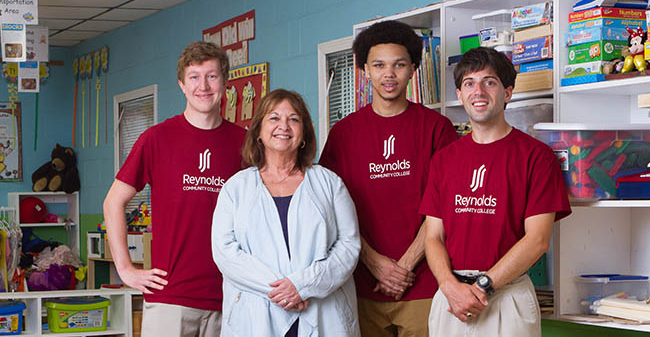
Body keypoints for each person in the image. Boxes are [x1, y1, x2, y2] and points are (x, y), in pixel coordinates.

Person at [419, 47, 572, 336]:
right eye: (469, 84)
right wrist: (450, 286)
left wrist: (481, 287)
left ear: (508, 93)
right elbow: (433, 237)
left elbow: (537, 240)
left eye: (489, 82)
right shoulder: (443, 160)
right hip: (450, 298)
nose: (478, 91)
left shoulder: (537, 157)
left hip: (507, 297)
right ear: (460, 95)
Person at [319, 20, 457, 336]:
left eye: (399, 65)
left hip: (425, 283)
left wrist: (406, 265)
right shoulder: (344, 134)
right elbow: (329, 209)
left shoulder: (438, 129)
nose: (389, 74)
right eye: (379, 65)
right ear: (364, 70)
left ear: (413, 70)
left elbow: (446, 206)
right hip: (362, 285)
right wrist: (375, 263)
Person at [103, 41, 246, 336]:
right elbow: (113, 202)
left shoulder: (245, 143)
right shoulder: (156, 139)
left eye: (212, 76)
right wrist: (125, 269)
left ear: (225, 82)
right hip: (171, 297)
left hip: (231, 296)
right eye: (194, 77)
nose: (203, 86)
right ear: (181, 84)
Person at [211, 89, 361, 336]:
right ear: (258, 131)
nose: (284, 126)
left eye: (293, 119)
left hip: (321, 311)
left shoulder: (330, 183)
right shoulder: (236, 188)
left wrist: (302, 286)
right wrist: (284, 291)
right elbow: (225, 251)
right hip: (257, 314)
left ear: (304, 133)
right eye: (274, 118)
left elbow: (349, 245)